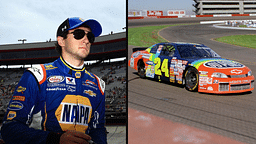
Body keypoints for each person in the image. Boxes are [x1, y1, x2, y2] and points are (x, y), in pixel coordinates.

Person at [1, 17, 107, 144]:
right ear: (61, 40)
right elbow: (9, 129)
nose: (86, 40)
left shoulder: (98, 84)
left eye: (90, 37)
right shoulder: (37, 75)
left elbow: (98, 129)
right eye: (79, 34)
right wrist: (55, 140)